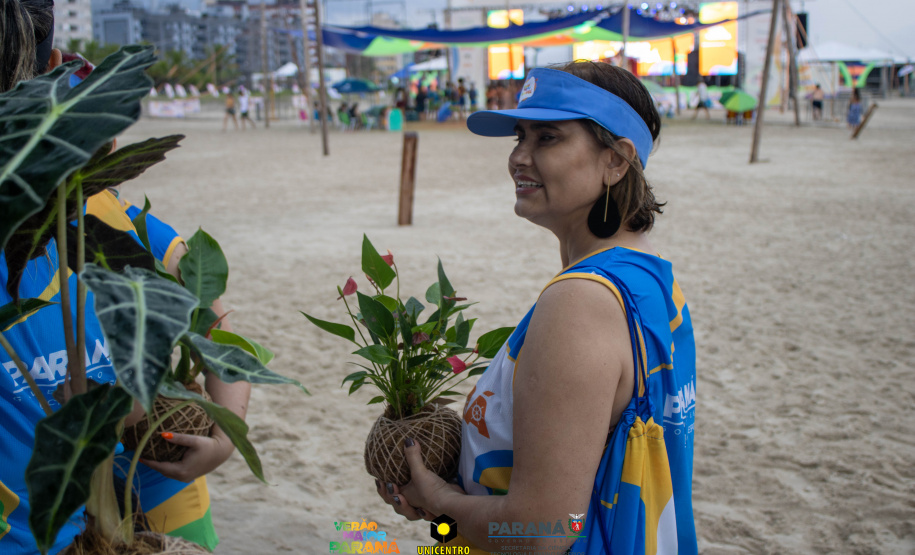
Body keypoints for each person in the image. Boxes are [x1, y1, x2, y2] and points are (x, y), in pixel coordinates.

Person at [376, 61, 697, 554]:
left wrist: (439, 502)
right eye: (518, 137)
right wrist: (445, 501)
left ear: (616, 160)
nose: (519, 158)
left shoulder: (580, 301)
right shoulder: (652, 278)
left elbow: (541, 532)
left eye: (547, 138)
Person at [0, 5, 244, 550]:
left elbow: (213, 314)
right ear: (55, 69)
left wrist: (226, 432)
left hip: (155, 493)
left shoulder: (108, 217)